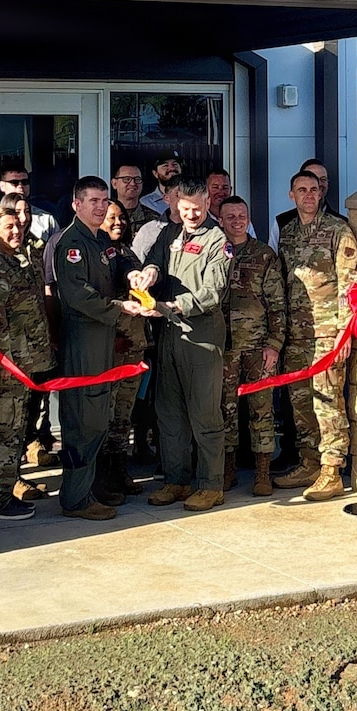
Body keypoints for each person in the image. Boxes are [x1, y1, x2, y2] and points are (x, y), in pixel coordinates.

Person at [51, 176, 148, 520]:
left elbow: (119, 262)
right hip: (84, 338)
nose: (100, 207)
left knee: (98, 417)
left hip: (104, 337)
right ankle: (76, 498)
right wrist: (119, 308)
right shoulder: (71, 243)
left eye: (104, 201)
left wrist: (133, 274)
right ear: (76, 204)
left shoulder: (100, 239)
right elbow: (78, 295)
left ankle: (88, 489)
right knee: (83, 419)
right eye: (93, 200)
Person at [134, 178, 230, 512]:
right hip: (169, 335)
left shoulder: (217, 240)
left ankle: (211, 484)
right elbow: (155, 261)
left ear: (207, 204)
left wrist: (176, 306)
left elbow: (213, 292)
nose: (190, 215)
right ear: (176, 204)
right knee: (169, 412)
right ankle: (177, 480)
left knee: (204, 414)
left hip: (201, 337)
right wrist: (149, 273)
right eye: (185, 208)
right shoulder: (170, 234)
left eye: (196, 209)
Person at [273, 170, 357, 501]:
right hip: (297, 333)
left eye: (313, 189)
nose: (308, 195)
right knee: (301, 403)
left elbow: (350, 284)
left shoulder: (338, 231)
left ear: (320, 193)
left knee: (327, 401)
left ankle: (332, 470)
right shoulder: (287, 233)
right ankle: (309, 462)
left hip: (327, 334)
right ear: (291, 195)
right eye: (302, 190)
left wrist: (344, 333)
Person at [0, 204, 55, 519]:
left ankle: (5, 491)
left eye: (19, 226)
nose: (16, 231)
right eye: (8, 227)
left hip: (24, 363)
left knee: (14, 430)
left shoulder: (16, 260)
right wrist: (4, 364)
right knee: (1, 432)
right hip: (5, 368)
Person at [217, 196, 285, 496]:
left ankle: (262, 473)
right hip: (224, 347)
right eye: (230, 216)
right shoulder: (214, 251)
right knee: (225, 410)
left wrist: (274, 344)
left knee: (262, 410)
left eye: (241, 215)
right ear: (221, 220)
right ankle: (228, 469)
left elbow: (277, 303)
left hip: (258, 347)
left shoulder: (263, 255)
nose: (237, 221)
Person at [97, 199, 146, 499]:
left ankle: (119, 470)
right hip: (110, 349)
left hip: (134, 347)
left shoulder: (127, 252)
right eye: (111, 218)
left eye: (122, 218)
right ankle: (103, 477)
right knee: (106, 414)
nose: (119, 223)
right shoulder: (97, 254)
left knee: (123, 415)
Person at [0, 168, 57, 246]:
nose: (20, 186)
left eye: (25, 182)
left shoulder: (45, 219)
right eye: (14, 182)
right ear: (2, 186)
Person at [268, 158, 335, 250]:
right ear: (292, 195)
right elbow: (272, 256)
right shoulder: (282, 222)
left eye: (323, 179)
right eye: (311, 177)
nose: (318, 183)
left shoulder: (340, 224)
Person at [132, 179, 183, 262]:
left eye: (188, 195)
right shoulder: (149, 230)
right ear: (166, 198)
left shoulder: (202, 229)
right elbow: (135, 262)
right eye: (178, 195)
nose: (184, 199)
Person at [139, 152, 183, 219]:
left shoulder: (193, 197)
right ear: (155, 173)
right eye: (165, 165)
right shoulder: (145, 202)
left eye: (175, 164)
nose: (172, 168)